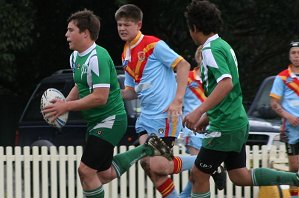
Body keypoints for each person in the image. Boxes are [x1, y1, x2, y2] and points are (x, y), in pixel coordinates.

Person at [42, 9, 173, 198]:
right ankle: (147, 148)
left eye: (70, 30)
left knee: (85, 171)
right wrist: (65, 100)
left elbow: (100, 97)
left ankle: (148, 148)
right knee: (104, 174)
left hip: (111, 119)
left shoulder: (98, 57)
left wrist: (66, 107)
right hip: (95, 121)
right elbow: (81, 84)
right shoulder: (75, 57)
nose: (66, 34)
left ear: (85, 33)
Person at [183, 1, 299, 198]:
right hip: (235, 121)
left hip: (225, 126)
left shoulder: (210, 49)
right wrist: (208, 117)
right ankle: (296, 179)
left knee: (198, 175)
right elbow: (230, 90)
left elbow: (226, 84)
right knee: (240, 176)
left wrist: (198, 111)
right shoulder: (224, 46)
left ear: (194, 28)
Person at [115, 4, 199, 198]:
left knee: (158, 164)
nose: (122, 28)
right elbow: (130, 92)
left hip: (165, 116)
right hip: (145, 118)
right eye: (119, 24)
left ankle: (204, 161)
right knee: (148, 164)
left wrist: (178, 100)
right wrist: (108, 94)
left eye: (127, 24)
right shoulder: (125, 53)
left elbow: (184, 65)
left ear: (139, 25)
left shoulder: (154, 44)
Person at [180, 46, 226, 197]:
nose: (203, 57)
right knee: (198, 167)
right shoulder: (187, 77)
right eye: (201, 55)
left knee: (199, 171)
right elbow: (177, 100)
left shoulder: (214, 80)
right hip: (191, 128)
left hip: (210, 127)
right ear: (197, 57)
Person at [270, 40, 299, 198]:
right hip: (291, 128)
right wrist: (289, 116)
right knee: (294, 167)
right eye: (293, 53)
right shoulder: (282, 77)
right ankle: (294, 196)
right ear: (289, 56)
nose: (297, 56)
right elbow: (273, 103)